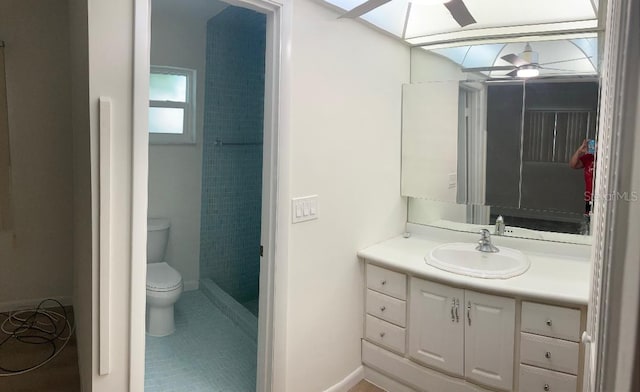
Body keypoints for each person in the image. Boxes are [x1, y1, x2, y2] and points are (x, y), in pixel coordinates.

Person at [570, 139, 595, 227]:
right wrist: (579, 151)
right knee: (587, 225)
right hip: (589, 198)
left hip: (603, 197)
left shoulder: (607, 161)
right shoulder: (589, 158)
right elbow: (573, 164)